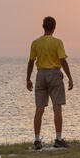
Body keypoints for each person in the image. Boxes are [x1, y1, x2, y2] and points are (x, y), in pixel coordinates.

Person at [26, 16, 73, 150]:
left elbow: (31, 62)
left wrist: (28, 79)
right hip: (54, 74)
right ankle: (58, 139)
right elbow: (62, 60)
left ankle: (36, 140)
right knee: (57, 107)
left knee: (39, 109)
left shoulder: (36, 43)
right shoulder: (57, 42)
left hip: (40, 74)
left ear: (43, 26)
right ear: (54, 27)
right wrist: (70, 77)